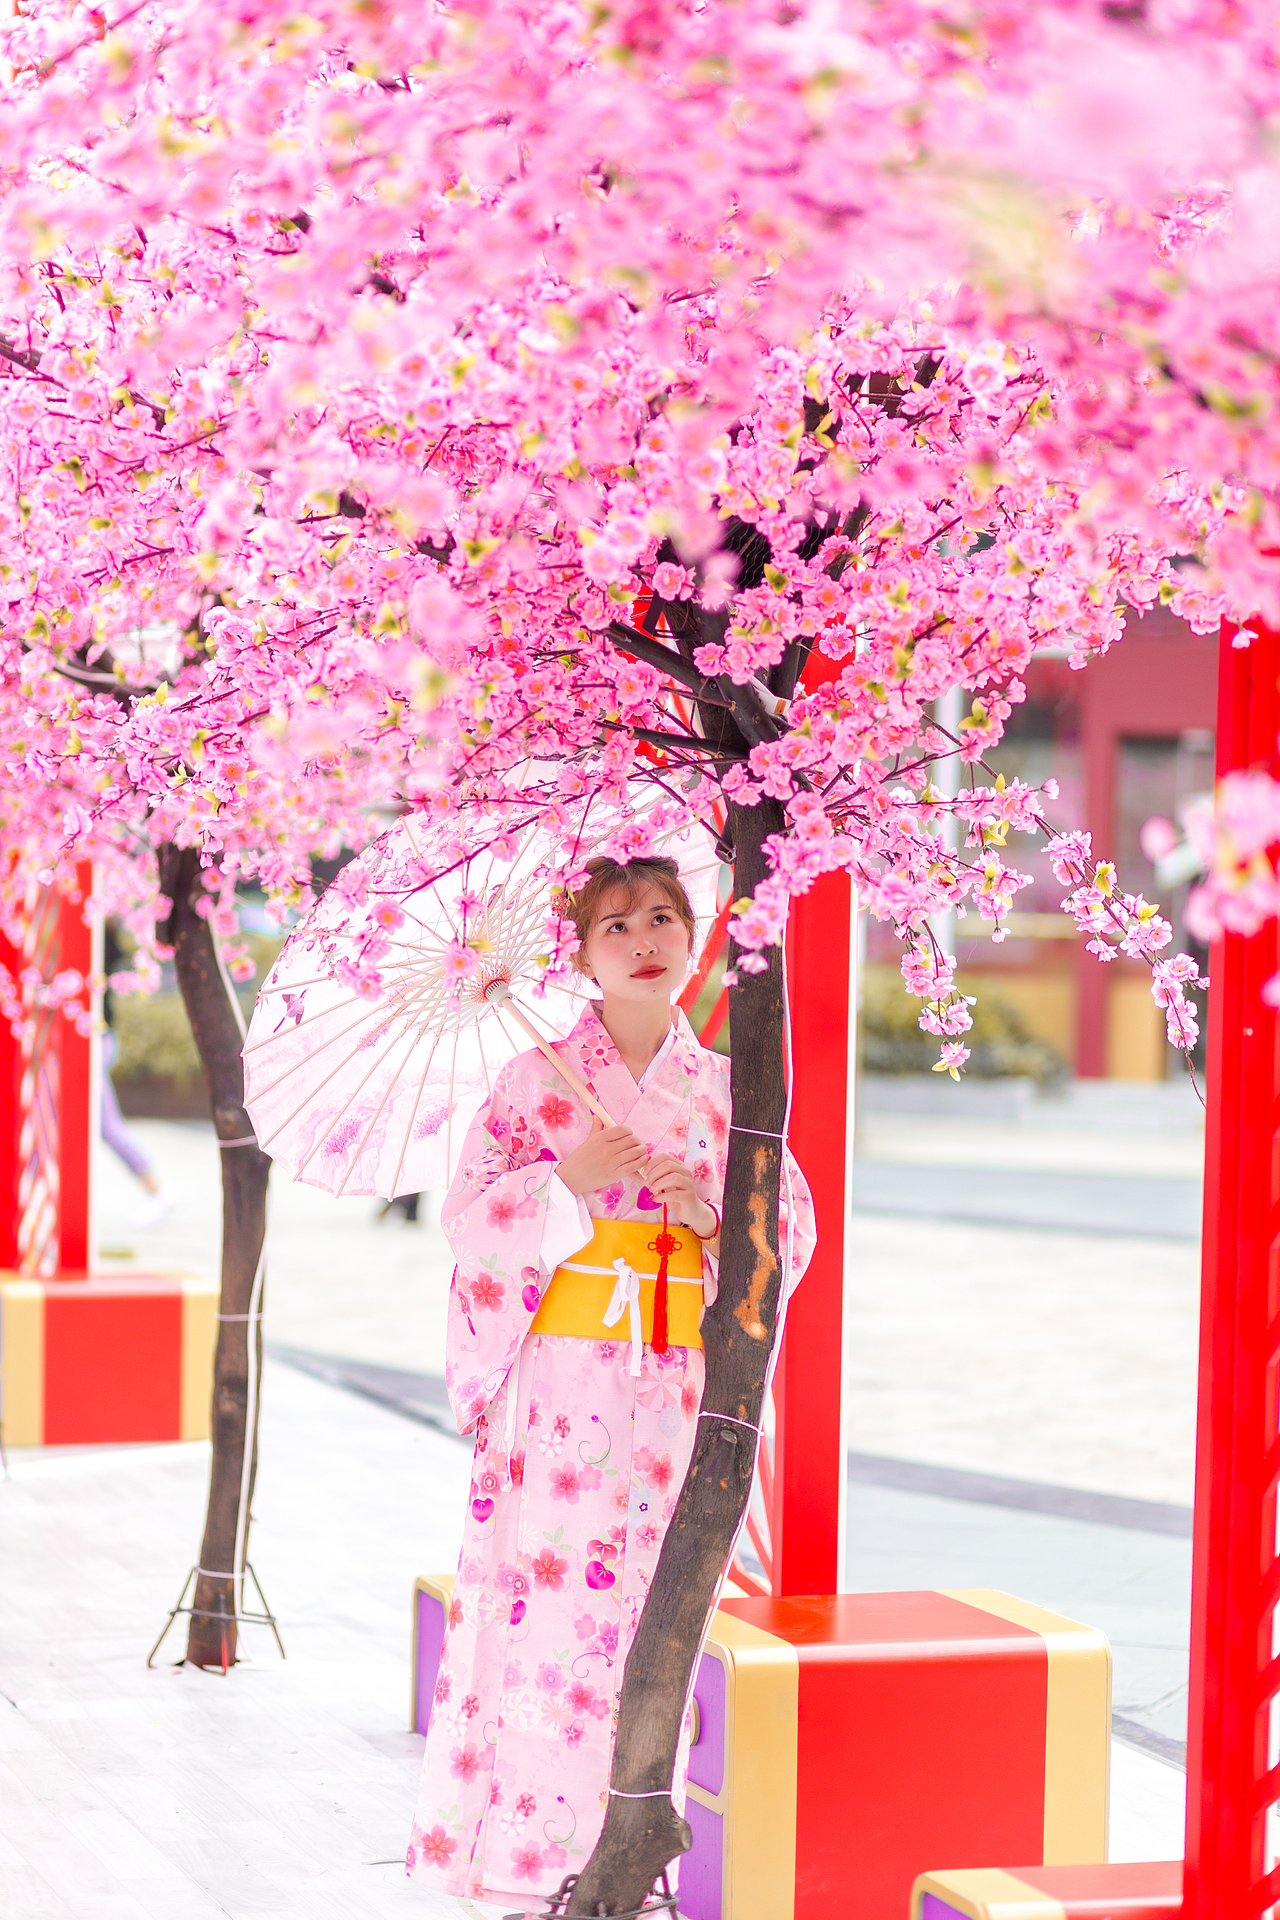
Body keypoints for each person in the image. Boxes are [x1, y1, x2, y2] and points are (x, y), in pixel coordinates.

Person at [405, 855, 815, 1904]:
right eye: (615, 926)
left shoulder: (726, 1089)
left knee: (658, 1605)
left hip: (673, 1382)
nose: (643, 942)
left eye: (663, 918)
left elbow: (789, 1232)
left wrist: (708, 1219)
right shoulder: (532, 1083)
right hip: (558, 1390)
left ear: (695, 936)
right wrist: (562, 1186)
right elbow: (468, 1226)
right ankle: (529, 1853)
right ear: (581, 955)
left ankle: (634, 1837)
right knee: (545, 1613)